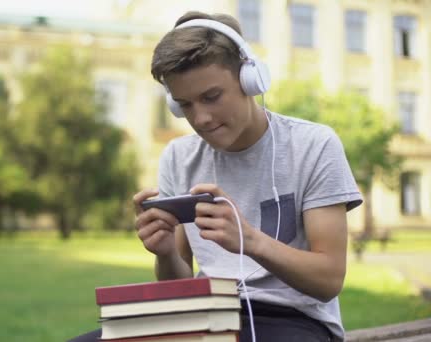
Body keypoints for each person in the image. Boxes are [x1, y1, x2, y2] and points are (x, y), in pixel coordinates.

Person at [69, 10, 362, 342]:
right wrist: (166, 253)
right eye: (185, 105)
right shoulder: (179, 157)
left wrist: (249, 241)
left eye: (211, 97)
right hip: (204, 314)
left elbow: (328, 281)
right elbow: (178, 291)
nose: (201, 118)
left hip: (293, 320)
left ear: (250, 79)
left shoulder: (313, 145)